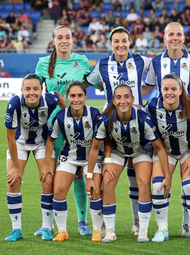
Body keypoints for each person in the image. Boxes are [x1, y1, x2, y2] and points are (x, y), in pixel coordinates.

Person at [87, 85, 171, 242]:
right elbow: (94, 149)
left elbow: (159, 148)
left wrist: (167, 176)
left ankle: (143, 230)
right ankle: (110, 230)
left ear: (133, 99)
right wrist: (96, 170)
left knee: (144, 182)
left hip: (141, 150)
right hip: (117, 151)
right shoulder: (105, 120)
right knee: (108, 181)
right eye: (118, 97)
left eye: (127, 97)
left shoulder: (143, 119)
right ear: (113, 101)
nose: (123, 101)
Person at [142, 22, 190, 237]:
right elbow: (147, 87)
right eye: (171, 34)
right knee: (158, 185)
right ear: (164, 37)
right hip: (165, 137)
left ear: (184, 38)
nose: (175, 38)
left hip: (188, 129)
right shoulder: (155, 62)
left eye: (179, 34)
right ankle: (162, 229)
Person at [35, 25, 94, 236]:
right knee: (50, 176)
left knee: (79, 175)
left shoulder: (83, 61)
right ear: (53, 41)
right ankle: (47, 224)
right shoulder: (43, 64)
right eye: (59, 37)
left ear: (72, 40)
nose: (64, 41)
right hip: (52, 129)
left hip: (78, 129)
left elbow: (97, 81)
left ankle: (82, 222)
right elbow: (35, 92)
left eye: (67, 37)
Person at [4, 74, 67, 242]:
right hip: (19, 142)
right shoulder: (14, 104)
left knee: (48, 180)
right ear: (22, 90)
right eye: (28, 89)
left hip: (42, 143)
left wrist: (66, 114)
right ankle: (16, 230)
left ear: (41, 90)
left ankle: (46, 227)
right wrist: (16, 168)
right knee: (13, 181)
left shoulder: (49, 99)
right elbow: (10, 138)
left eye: (36, 89)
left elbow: (59, 97)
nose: (32, 93)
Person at [41, 81, 101, 242]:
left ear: (85, 96)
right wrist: (47, 165)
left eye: (80, 95)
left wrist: (100, 165)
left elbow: (102, 143)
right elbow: (50, 141)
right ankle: (62, 231)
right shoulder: (60, 117)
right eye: (72, 96)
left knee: (94, 190)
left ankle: (96, 230)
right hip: (70, 157)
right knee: (59, 189)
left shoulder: (95, 114)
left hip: (91, 157)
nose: (76, 99)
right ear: (67, 97)